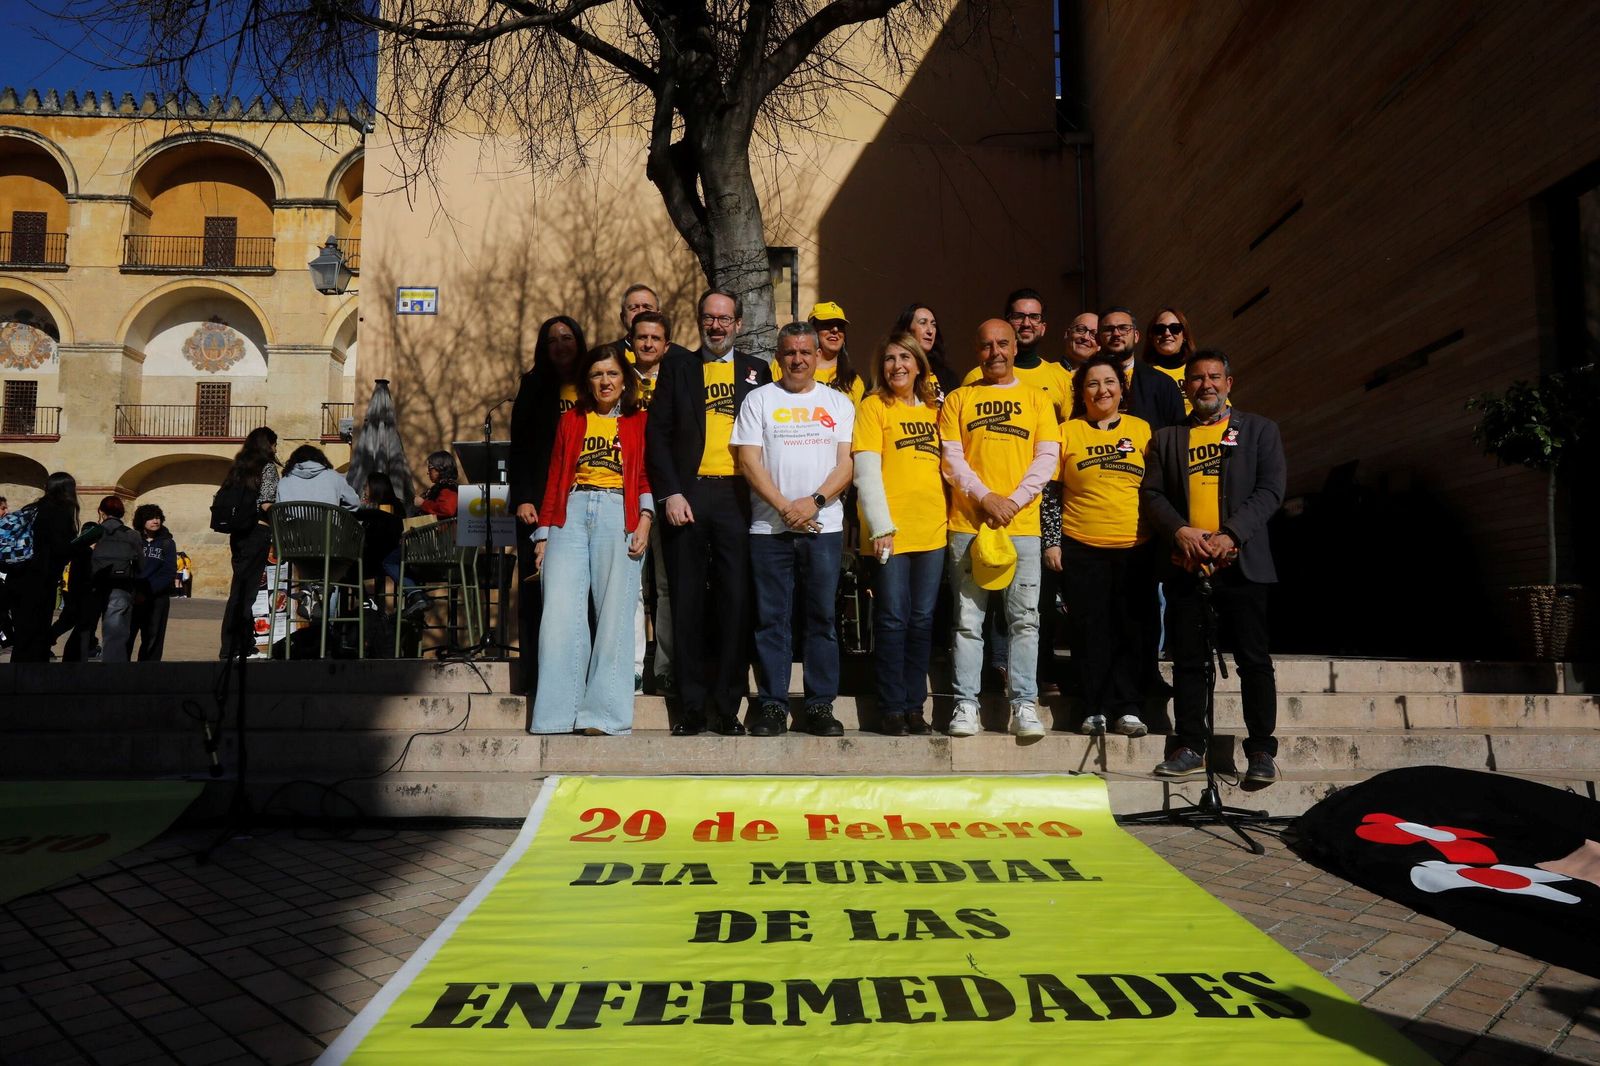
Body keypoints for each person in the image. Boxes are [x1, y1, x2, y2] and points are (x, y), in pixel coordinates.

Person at [1143, 349, 1286, 785]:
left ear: (1229, 382)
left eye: (1214, 377)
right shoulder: (1167, 438)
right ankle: (1191, 745)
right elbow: (1152, 495)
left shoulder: (1259, 430)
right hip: (1187, 565)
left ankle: (1261, 751)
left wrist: (1231, 535)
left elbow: (1271, 489)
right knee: (1189, 662)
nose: (1206, 384)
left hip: (1241, 565)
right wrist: (1182, 531)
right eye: (1197, 378)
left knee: (1253, 661)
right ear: (1185, 386)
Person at [645, 288, 772, 735]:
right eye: (708, 318)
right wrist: (670, 494)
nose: (716, 325)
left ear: (737, 323)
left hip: (739, 499)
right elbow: (656, 438)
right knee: (687, 603)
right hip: (689, 497)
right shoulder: (678, 368)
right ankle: (691, 708)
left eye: (724, 318)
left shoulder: (759, 371)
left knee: (735, 604)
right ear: (700, 321)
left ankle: (727, 708)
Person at [938, 320, 1061, 738]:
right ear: (977, 350)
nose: (995, 353)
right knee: (968, 621)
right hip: (968, 525)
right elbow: (952, 460)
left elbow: (1047, 458)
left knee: (1025, 620)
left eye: (1002, 344)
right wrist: (986, 497)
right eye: (987, 345)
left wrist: (1013, 500)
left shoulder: (1037, 399)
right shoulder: (958, 399)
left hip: (1022, 527)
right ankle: (965, 705)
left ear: (1014, 347)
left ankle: (1024, 704)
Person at [734, 322, 856, 737]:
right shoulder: (759, 400)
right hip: (769, 530)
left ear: (818, 355)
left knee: (821, 618)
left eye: (806, 352)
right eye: (790, 353)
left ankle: (820, 706)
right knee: (772, 620)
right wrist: (786, 507)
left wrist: (813, 503)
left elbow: (846, 465)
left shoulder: (838, 403)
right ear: (779, 356)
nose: (798, 360)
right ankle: (772, 705)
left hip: (824, 528)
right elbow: (749, 461)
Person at [529, 347, 653, 735]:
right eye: (597, 374)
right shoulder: (571, 420)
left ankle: (604, 716)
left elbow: (647, 475)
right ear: (588, 380)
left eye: (612, 374)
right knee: (559, 614)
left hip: (620, 512)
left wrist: (645, 521)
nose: (605, 381)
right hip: (571, 510)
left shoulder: (638, 421)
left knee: (615, 614)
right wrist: (544, 534)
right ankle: (557, 714)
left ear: (624, 380)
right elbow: (554, 477)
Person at [1042, 352, 1154, 737]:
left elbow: (1154, 489)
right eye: (1092, 383)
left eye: (1109, 382)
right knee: (1089, 630)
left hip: (1134, 546)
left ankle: (1128, 706)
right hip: (1081, 545)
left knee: (1131, 629)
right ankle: (1092, 707)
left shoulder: (1142, 430)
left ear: (1122, 389)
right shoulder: (1067, 431)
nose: (1101, 390)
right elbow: (1052, 493)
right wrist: (1052, 542)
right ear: (1081, 392)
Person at [853, 333, 945, 736]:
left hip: (934, 529)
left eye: (905, 357)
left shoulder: (934, 411)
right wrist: (880, 525)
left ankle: (914, 707)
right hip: (890, 531)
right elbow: (866, 472)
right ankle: (891, 707)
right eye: (889, 359)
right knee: (892, 619)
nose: (897, 366)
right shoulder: (874, 407)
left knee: (922, 621)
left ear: (920, 363)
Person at [508, 314, 588, 694]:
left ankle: (579, 673)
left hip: (585, 499)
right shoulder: (534, 385)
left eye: (568, 337)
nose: (561, 344)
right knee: (536, 591)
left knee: (581, 592)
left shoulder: (593, 383)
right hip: (538, 504)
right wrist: (523, 494)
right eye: (553, 339)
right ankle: (536, 677)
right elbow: (520, 445)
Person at [629, 310, 673, 693]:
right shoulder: (617, 379)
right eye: (641, 337)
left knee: (666, 585)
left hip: (667, 489)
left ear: (666, 345)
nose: (648, 344)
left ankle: (666, 667)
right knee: (630, 585)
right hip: (626, 490)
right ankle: (632, 669)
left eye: (655, 338)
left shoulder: (678, 378)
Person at [962, 289, 1074, 418]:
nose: (1026, 323)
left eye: (1034, 317)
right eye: (1018, 316)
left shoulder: (1061, 380)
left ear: (1043, 328)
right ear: (1006, 324)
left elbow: (1068, 432)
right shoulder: (977, 376)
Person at [219, 427, 279, 660]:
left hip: (238, 535)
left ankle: (243, 644)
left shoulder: (238, 469)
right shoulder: (267, 468)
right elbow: (266, 502)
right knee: (245, 593)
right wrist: (284, 520)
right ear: (268, 445)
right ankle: (233, 647)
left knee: (240, 589)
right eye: (274, 444)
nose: (275, 449)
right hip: (257, 533)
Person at [7, 472, 79, 662]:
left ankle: (14, 682)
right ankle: (32, 683)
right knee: (37, 634)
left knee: (22, 634)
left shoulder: (33, 508)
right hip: (40, 580)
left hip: (17, 577)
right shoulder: (60, 513)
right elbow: (60, 549)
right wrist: (78, 546)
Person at [1097, 307, 1185, 431]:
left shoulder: (1162, 383)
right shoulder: (1086, 382)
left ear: (1136, 336)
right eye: (1108, 330)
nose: (1116, 334)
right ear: (1098, 339)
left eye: (1123, 328)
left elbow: (1177, 435)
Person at [770, 302, 863, 405]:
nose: (835, 330)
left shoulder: (853, 381)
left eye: (840, 326)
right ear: (813, 330)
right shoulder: (784, 365)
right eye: (827, 324)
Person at [129, 503, 179, 661]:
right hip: (133, 596)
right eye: (150, 518)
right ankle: (121, 672)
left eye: (157, 517)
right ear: (141, 521)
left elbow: (169, 571)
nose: (155, 521)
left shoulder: (167, 543)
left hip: (157, 597)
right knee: (126, 636)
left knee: (153, 638)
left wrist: (149, 591)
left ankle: (147, 674)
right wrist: (135, 591)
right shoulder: (133, 540)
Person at [892, 302, 961, 399]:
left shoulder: (947, 376)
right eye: (923, 323)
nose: (930, 331)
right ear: (907, 330)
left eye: (933, 325)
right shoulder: (892, 370)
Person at [1143, 306, 1195, 398]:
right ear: (1152, 337)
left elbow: (1223, 407)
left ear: (1185, 336)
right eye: (1160, 329)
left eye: (1175, 328)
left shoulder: (1198, 369)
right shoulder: (1142, 375)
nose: (1167, 333)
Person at [414, 451, 460, 518]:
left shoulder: (448, 487)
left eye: (430, 468)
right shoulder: (439, 486)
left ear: (440, 468)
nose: (428, 472)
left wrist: (423, 503)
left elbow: (447, 509)